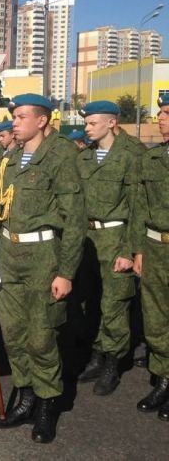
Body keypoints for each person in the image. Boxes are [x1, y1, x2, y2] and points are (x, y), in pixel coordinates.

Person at [0, 94, 86, 443]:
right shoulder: (11, 157)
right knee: (13, 333)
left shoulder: (61, 155)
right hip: (9, 256)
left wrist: (66, 272)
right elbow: (2, 210)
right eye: (13, 116)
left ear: (42, 120)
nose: (14, 121)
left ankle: (46, 403)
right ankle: (24, 396)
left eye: (21, 116)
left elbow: (74, 220)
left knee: (42, 337)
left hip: (43, 257)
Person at [75, 101, 141, 396]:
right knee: (93, 302)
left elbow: (138, 207)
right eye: (86, 123)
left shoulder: (132, 154)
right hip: (89, 240)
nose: (87, 128)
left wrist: (129, 250)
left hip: (117, 238)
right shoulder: (85, 157)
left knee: (115, 305)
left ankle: (113, 362)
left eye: (92, 123)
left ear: (111, 123)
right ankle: (97, 354)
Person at [133, 94, 169, 422]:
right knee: (155, 317)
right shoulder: (152, 158)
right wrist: (139, 250)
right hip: (155, 246)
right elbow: (139, 207)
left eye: (167, 113)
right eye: (160, 113)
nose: (161, 118)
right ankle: (163, 378)